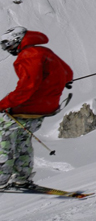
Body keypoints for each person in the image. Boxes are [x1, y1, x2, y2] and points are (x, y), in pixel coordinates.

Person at [0, 27, 73, 189]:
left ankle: (2, 178)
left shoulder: (28, 55)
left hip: (26, 108)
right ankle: (21, 177)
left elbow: (27, 87)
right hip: (44, 109)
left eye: (7, 44)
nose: (7, 49)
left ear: (18, 39)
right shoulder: (44, 52)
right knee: (22, 141)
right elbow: (67, 72)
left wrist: (3, 104)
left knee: (3, 140)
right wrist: (60, 81)